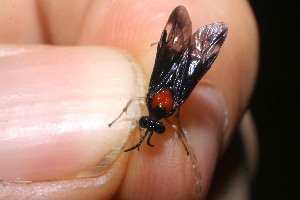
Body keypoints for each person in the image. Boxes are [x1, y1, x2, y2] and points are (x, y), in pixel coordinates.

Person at [0, 1, 259, 199]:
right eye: (152, 125)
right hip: (173, 81)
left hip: (174, 80)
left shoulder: (158, 100)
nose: (150, 126)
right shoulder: (164, 103)